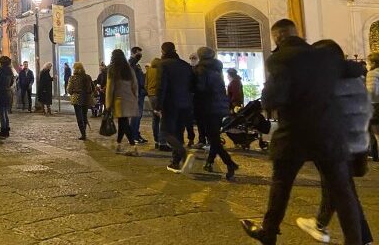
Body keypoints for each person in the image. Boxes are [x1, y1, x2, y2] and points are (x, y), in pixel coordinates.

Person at [241, 19, 362, 245]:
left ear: (278, 37)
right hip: (328, 132)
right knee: (342, 191)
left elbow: (271, 99)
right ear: (297, 33)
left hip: (294, 134)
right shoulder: (326, 56)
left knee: (281, 184)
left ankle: (269, 232)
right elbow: (355, 69)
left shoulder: (279, 59)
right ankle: (354, 240)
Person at [295, 40, 373, 245]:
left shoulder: (327, 80)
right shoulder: (355, 77)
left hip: (335, 145)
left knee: (343, 193)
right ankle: (327, 225)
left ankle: (357, 238)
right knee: (341, 191)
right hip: (354, 143)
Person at [193, 47, 238, 180]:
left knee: (213, 138)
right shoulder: (217, 69)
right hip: (219, 107)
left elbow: (200, 89)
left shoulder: (201, 70)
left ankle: (230, 163)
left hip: (208, 107)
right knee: (214, 136)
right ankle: (209, 162)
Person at [154, 42, 195, 173]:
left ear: (163, 51)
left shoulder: (163, 64)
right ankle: (175, 162)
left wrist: (158, 105)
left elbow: (161, 86)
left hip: (170, 103)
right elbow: (192, 86)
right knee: (178, 132)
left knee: (165, 133)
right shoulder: (185, 65)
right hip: (185, 103)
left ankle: (183, 153)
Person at [106, 49, 140, 155]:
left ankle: (133, 146)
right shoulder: (128, 68)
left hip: (119, 100)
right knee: (123, 122)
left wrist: (108, 104)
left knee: (124, 123)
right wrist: (135, 97)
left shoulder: (112, 69)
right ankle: (118, 144)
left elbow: (110, 88)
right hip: (130, 99)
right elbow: (135, 85)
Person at [146, 57, 169, 151]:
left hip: (151, 95)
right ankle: (162, 141)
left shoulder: (149, 70)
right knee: (162, 118)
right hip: (158, 95)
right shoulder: (161, 70)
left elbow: (145, 84)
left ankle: (156, 140)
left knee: (155, 118)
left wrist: (148, 92)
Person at [67, 62, 94, 140]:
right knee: (84, 116)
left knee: (79, 117)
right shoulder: (88, 77)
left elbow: (69, 90)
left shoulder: (72, 78)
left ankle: (83, 134)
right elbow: (93, 88)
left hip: (77, 98)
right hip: (86, 98)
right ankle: (84, 132)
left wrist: (73, 92)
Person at [128, 47, 148, 144]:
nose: (140, 55)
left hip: (140, 92)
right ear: (134, 53)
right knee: (136, 116)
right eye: (139, 53)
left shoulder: (136, 65)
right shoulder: (131, 63)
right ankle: (133, 135)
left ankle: (136, 134)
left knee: (138, 116)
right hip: (136, 93)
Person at [0, 56, 15, 137]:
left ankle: (3, 130)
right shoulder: (10, 71)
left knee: (2, 113)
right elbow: (12, 82)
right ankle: (6, 128)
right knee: (5, 112)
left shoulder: (0, 71)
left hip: (1, 93)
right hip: (8, 92)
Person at [365, 53, 379, 162]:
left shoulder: (372, 74)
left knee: (377, 136)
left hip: (376, 106)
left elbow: (371, 91)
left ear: (373, 62)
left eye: (368, 62)